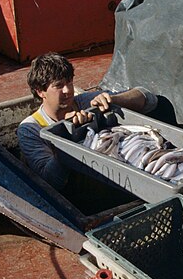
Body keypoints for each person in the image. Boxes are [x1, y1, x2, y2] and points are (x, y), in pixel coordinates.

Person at [17, 52, 158, 190]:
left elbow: (148, 98)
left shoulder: (86, 102)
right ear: (40, 91)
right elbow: (51, 180)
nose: (67, 90)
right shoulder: (30, 129)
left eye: (70, 82)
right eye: (59, 85)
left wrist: (115, 100)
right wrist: (68, 138)